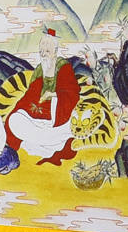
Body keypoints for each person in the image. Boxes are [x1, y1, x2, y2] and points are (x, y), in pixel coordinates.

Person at [5, 29, 80, 165]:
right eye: (41, 52)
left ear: (55, 52)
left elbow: (72, 92)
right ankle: (50, 141)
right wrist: (17, 111)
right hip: (36, 113)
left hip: (58, 112)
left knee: (72, 124)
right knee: (14, 120)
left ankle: (48, 140)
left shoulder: (63, 67)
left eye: (47, 51)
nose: (44, 55)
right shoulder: (39, 69)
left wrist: (53, 94)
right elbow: (30, 94)